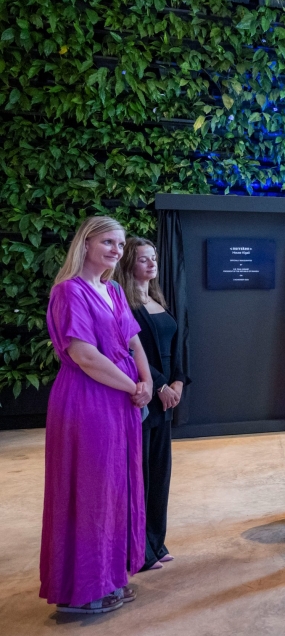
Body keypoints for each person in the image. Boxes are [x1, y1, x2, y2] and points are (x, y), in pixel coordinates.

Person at [40, 216, 153, 613]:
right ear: (85, 244)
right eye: (107, 242)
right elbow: (84, 356)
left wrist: (146, 380)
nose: (116, 251)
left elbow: (133, 341)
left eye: (120, 245)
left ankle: (109, 576)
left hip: (120, 399)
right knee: (90, 491)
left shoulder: (114, 290)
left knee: (116, 489)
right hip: (88, 401)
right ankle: (83, 590)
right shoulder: (68, 291)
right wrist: (133, 386)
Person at [115, 238, 191, 573]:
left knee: (160, 475)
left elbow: (175, 346)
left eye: (154, 258)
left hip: (166, 398)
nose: (152, 264)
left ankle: (156, 544)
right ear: (129, 264)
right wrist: (159, 384)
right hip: (143, 397)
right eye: (144, 259)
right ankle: (140, 550)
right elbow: (131, 352)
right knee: (140, 475)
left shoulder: (158, 299)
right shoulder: (123, 303)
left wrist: (178, 381)